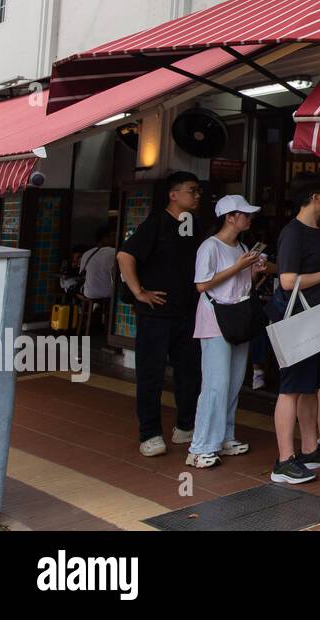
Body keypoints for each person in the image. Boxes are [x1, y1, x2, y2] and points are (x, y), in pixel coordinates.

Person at [116, 171, 204, 458]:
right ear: (173, 194)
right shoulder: (157, 222)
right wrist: (139, 291)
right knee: (151, 374)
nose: (197, 195)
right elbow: (125, 255)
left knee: (189, 373)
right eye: (192, 190)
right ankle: (150, 434)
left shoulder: (193, 225)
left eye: (198, 191)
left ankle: (185, 426)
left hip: (188, 313)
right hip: (156, 314)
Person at [270, 173, 320, 485]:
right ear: (315, 197)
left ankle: (310, 448)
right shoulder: (293, 233)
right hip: (298, 322)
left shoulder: (316, 232)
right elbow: (287, 281)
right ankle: (284, 460)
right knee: (290, 389)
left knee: (312, 386)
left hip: (317, 320)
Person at [187, 195, 267, 469]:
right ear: (229, 217)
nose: (248, 218)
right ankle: (200, 446)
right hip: (214, 320)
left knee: (232, 383)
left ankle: (224, 436)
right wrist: (239, 267)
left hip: (237, 319)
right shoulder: (210, 247)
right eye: (244, 214)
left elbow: (243, 285)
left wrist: (254, 269)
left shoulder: (243, 246)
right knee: (215, 384)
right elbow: (202, 284)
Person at [79, 224, 118, 333]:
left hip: (89, 293)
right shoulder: (114, 252)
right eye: (112, 236)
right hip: (108, 293)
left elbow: (82, 273)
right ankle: (109, 327)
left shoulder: (87, 253)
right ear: (104, 238)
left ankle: (96, 307)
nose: (115, 238)